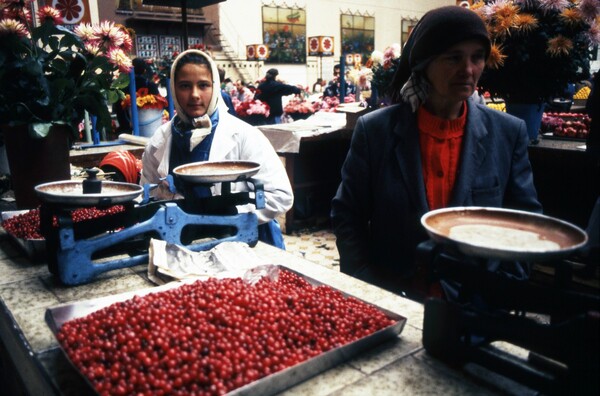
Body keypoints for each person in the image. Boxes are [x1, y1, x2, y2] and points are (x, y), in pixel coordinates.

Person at [331, 5, 542, 301]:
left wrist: (504, 286)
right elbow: (348, 214)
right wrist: (368, 286)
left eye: (477, 57)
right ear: (424, 62)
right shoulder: (376, 132)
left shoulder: (506, 134)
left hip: (477, 305)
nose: (468, 70)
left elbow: (525, 220)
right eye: (454, 57)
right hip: (394, 298)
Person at [140, 49, 293, 248]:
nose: (194, 95)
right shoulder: (160, 140)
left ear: (215, 87)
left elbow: (281, 196)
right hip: (182, 244)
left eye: (203, 85)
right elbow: (148, 194)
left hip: (241, 241)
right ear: (173, 89)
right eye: (185, 86)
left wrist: (227, 216)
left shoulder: (243, 135)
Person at [114, 57, 160, 133]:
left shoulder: (122, 87)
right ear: (144, 70)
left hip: (127, 127)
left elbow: (118, 108)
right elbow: (159, 104)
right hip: (148, 127)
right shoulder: (151, 85)